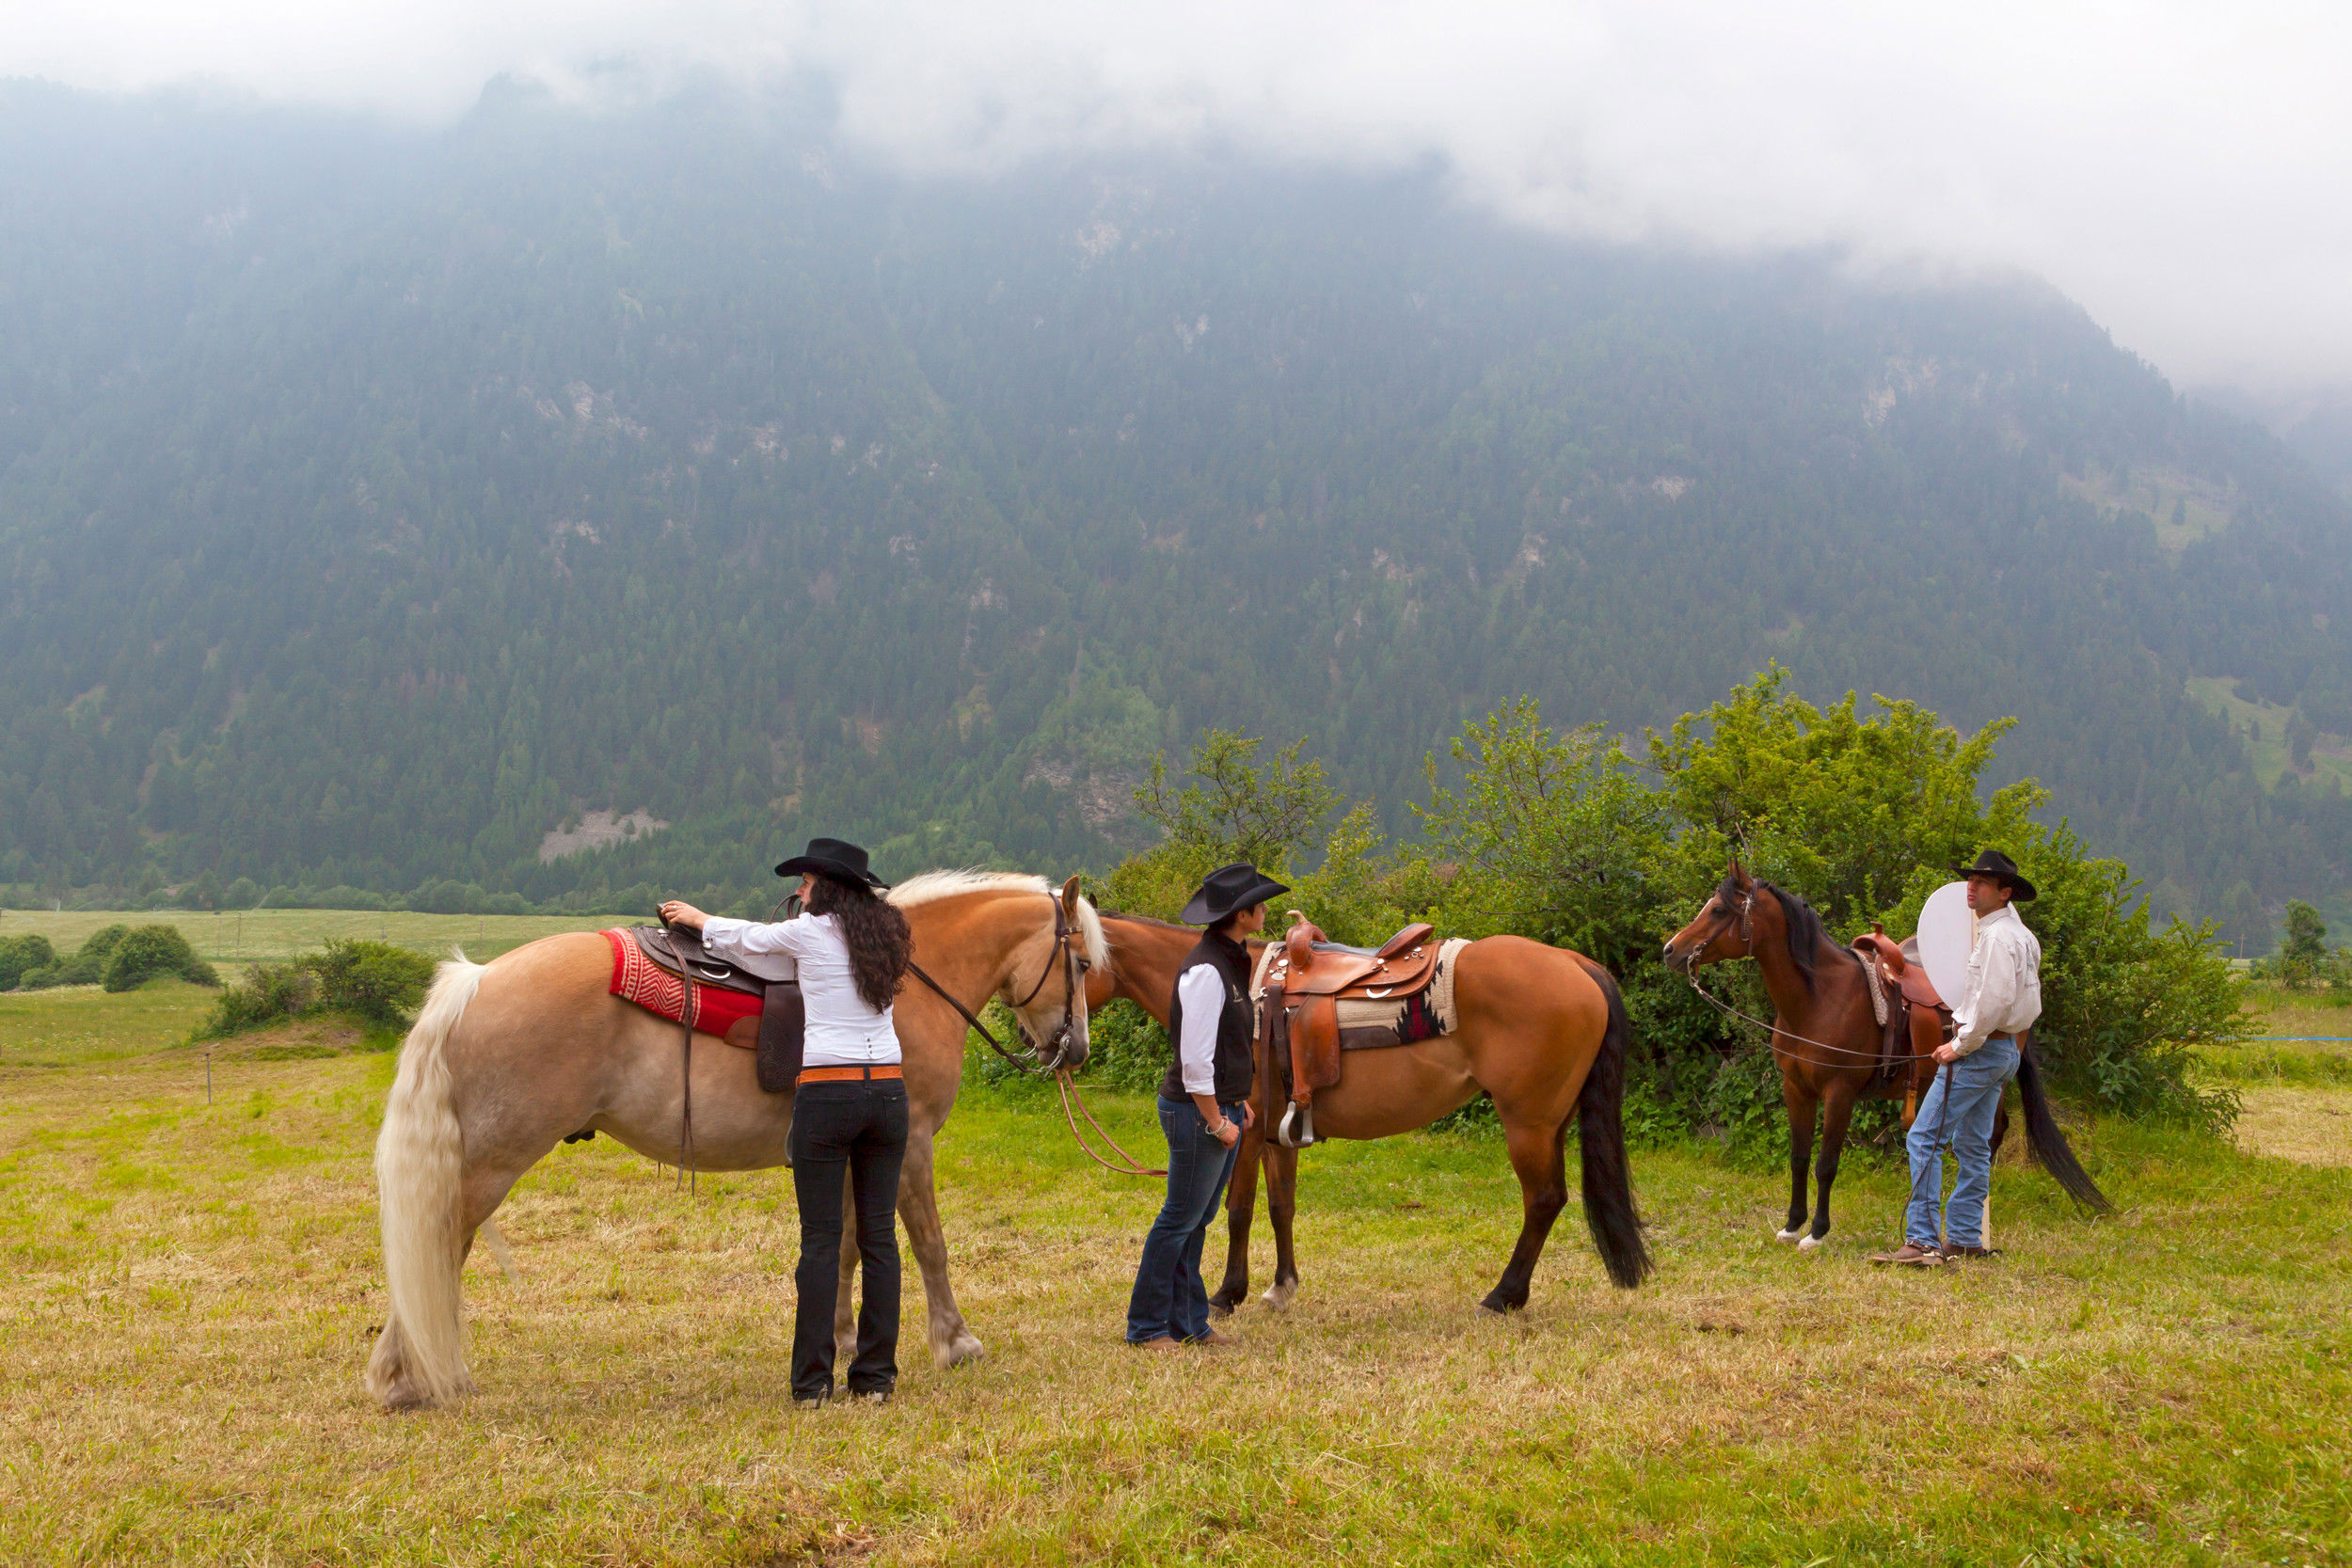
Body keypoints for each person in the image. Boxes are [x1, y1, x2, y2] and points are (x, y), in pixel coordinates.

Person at [660, 836, 912, 1405]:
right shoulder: (889, 937)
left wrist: (696, 918)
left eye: (804, 882)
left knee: (820, 1242)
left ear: (826, 886)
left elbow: (749, 940)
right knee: (879, 1241)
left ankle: (812, 1383)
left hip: (829, 1092)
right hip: (889, 1092)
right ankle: (875, 1379)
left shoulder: (808, 933)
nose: (797, 890)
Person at [1126, 861, 1286, 1349]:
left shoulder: (1229, 960)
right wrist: (1218, 1119)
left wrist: (1239, 1104)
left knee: (1197, 1220)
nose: (1264, 909)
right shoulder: (1206, 971)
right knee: (1178, 1220)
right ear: (1241, 915)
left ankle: (1190, 1323)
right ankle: (1147, 1326)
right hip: (1198, 1113)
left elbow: (1227, 1046)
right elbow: (1195, 1058)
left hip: (1222, 1108)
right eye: (1258, 902)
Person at [1871, 849, 2042, 1268]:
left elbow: (1995, 1001)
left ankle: (1923, 1241)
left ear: (2005, 893)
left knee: (1924, 1137)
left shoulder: (1999, 939)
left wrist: (1960, 1044)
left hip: (1982, 1050)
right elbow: (2029, 1002)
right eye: (1971, 879)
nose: (1971, 886)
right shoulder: (2022, 936)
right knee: (1973, 1145)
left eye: (1981, 883)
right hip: (2004, 1051)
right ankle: (1965, 1238)